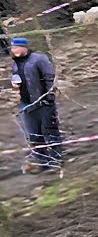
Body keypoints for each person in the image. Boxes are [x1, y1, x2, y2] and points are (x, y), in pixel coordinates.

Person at [9, 38, 62, 173]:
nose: (13, 51)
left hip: (43, 102)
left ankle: (57, 159)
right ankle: (43, 163)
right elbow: (16, 79)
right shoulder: (15, 64)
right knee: (33, 135)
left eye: (16, 48)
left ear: (23, 47)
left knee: (50, 131)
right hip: (27, 104)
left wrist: (49, 98)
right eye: (12, 48)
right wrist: (14, 85)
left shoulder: (39, 59)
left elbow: (50, 78)